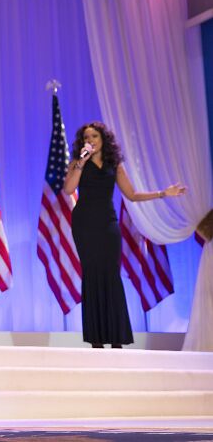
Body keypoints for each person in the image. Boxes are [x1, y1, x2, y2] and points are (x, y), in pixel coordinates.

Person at [63, 122, 186, 349]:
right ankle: (97, 340)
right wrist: (81, 161)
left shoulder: (115, 164)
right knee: (92, 275)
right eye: (86, 137)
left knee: (111, 275)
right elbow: (69, 189)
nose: (90, 140)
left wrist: (163, 193)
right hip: (84, 225)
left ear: (103, 139)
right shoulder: (77, 164)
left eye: (95, 136)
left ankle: (117, 338)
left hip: (107, 224)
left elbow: (132, 195)